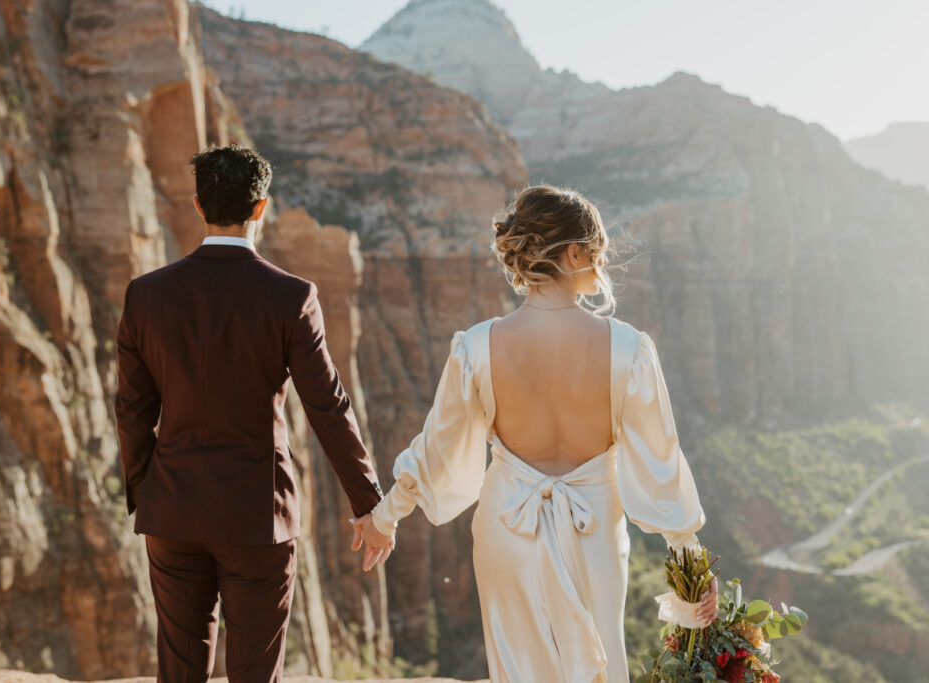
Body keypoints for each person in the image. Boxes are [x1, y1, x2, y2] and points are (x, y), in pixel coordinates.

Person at [350, 185, 718, 682]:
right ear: (573, 253)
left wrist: (387, 515)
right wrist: (689, 563)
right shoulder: (629, 349)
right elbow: (661, 462)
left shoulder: (477, 347)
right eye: (598, 252)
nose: (602, 264)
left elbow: (438, 448)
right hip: (595, 536)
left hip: (508, 530)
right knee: (599, 661)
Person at [114, 145, 385, 683]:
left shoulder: (146, 295)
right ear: (261, 208)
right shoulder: (291, 297)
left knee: (180, 672)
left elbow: (132, 410)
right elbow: (327, 407)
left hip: (171, 512)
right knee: (255, 673)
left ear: (197, 205)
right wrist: (369, 504)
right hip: (258, 517)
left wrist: (147, 490)